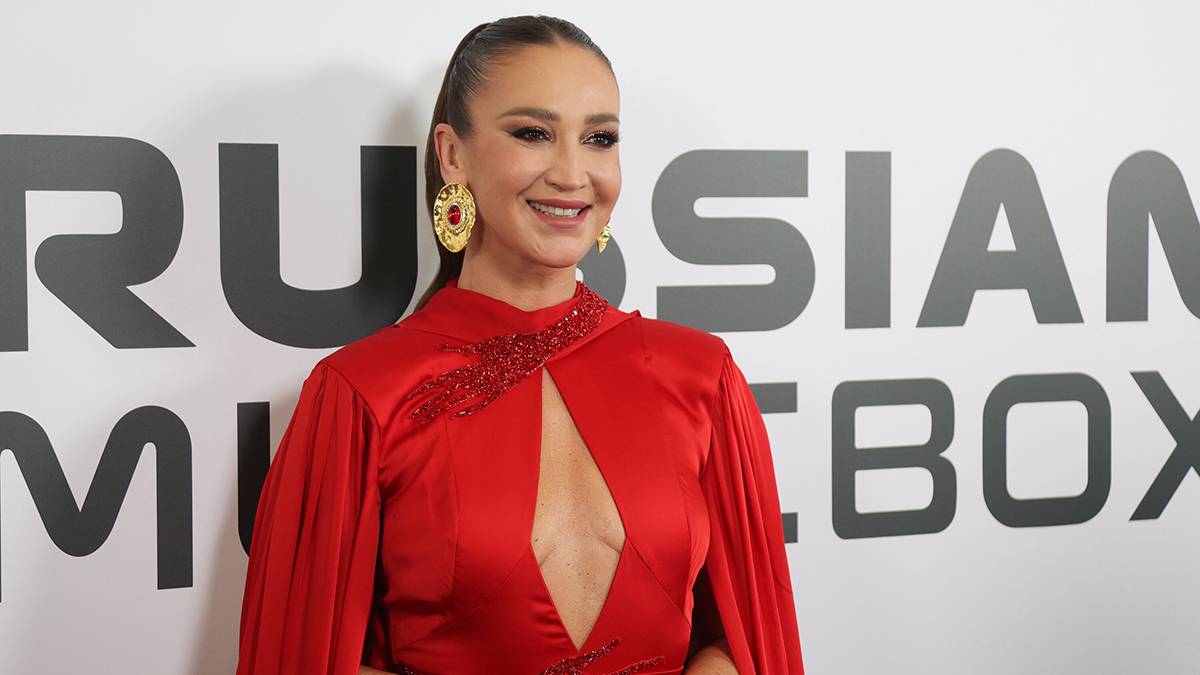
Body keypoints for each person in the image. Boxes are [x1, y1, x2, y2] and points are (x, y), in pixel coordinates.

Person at [234, 14, 804, 675]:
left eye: (599, 138)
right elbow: (304, 657)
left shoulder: (701, 376)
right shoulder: (362, 393)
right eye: (533, 133)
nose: (572, 173)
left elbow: (748, 638)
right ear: (453, 154)